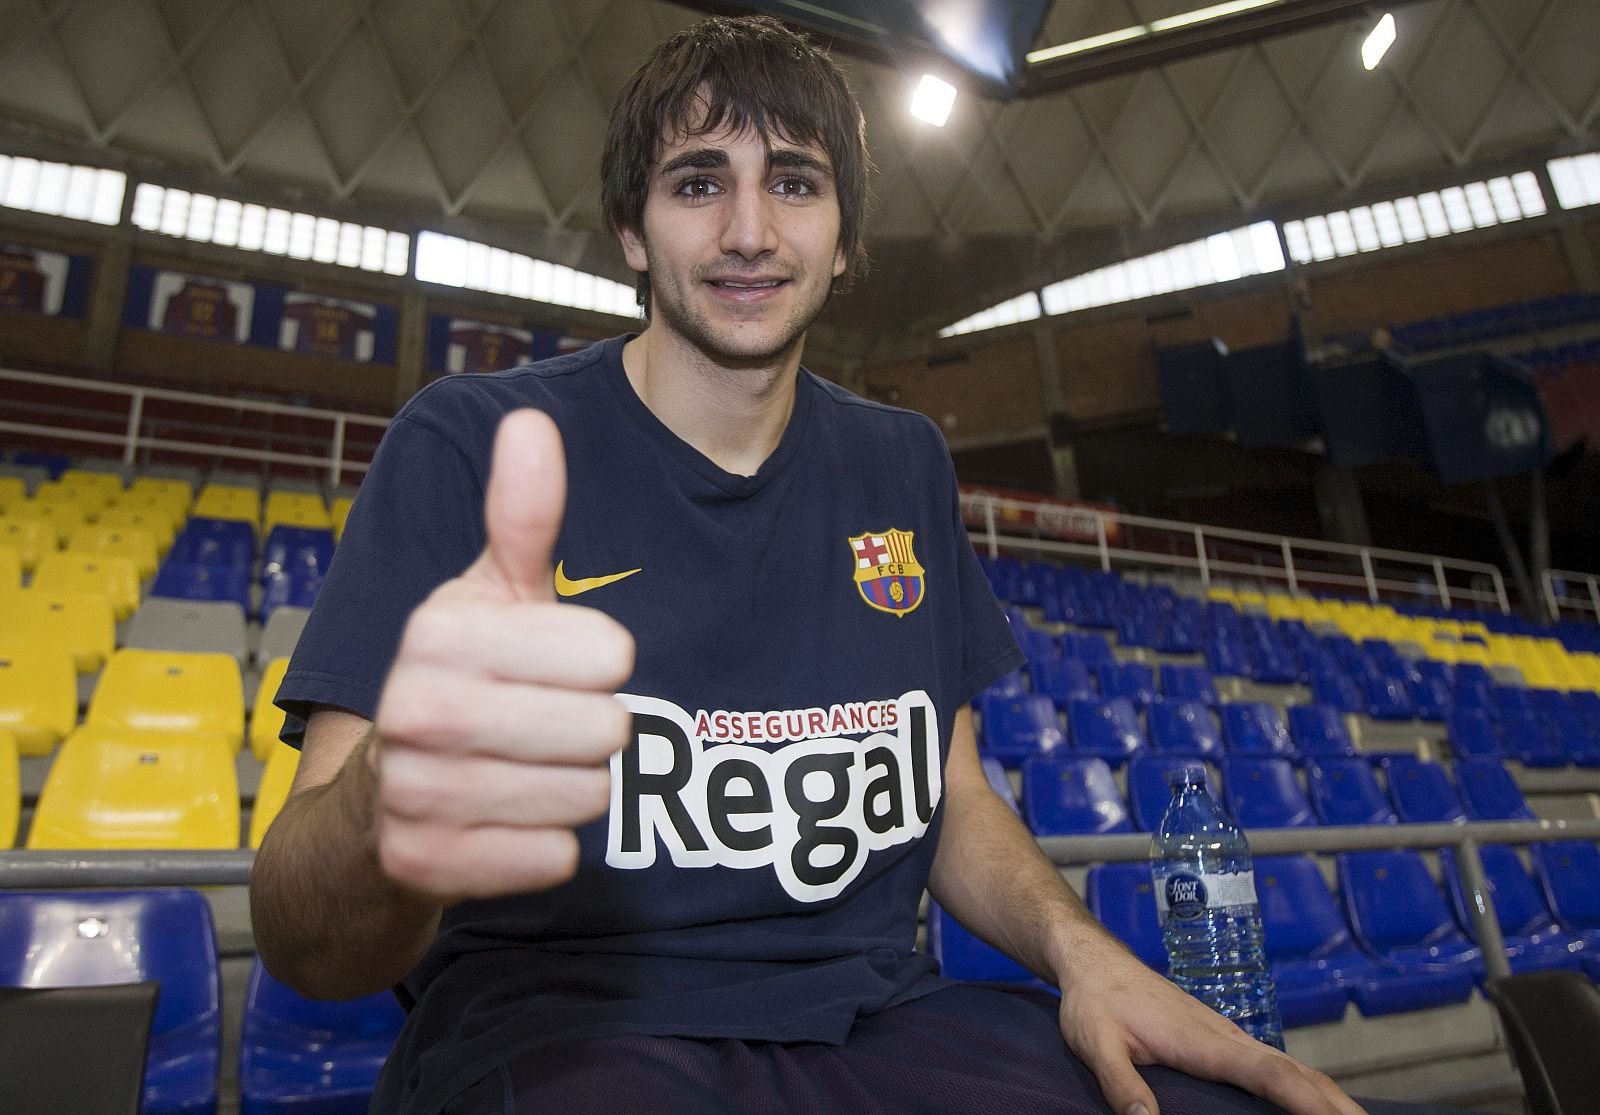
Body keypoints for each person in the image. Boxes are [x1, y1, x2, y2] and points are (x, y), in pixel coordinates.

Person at [251, 16, 1460, 1115]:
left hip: (890, 1023)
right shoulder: (468, 441)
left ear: (843, 241)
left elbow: (954, 799)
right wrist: (394, 790)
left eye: (793, 182)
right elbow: (308, 945)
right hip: (577, 1032)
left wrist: (1089, 955)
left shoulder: (902, 460)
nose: (747, 231)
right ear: (631, 228)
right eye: (695, 183)